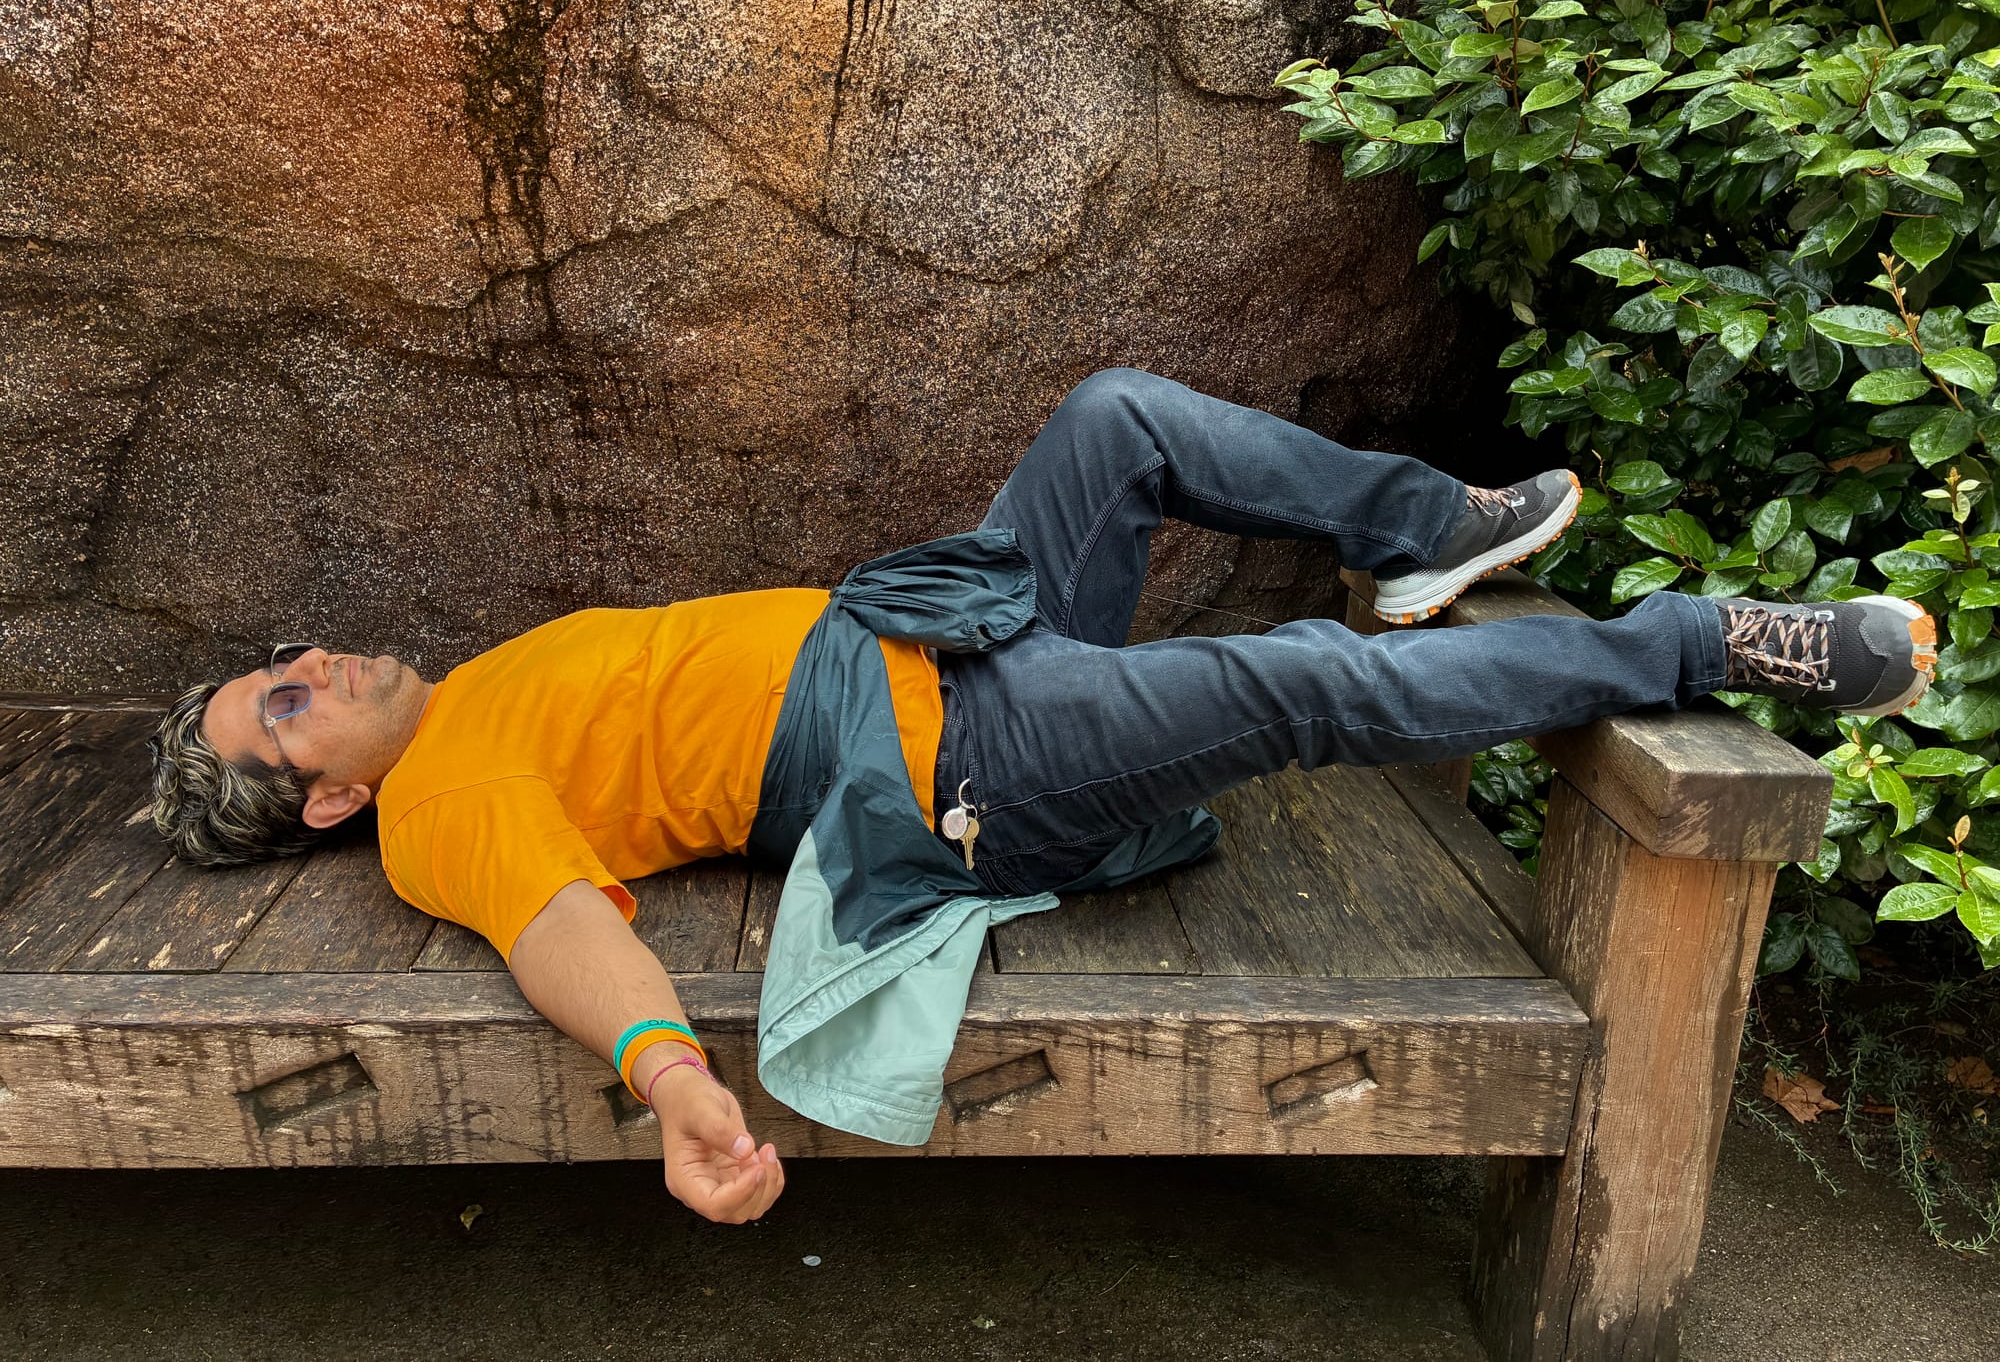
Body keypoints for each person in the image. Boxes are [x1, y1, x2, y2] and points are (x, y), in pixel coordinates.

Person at [146, 368, 1935, 1225]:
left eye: (290, 661)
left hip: (952, 626)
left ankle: (1420, 533)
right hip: (971, 762)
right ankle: (1704, 644)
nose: (317, 669)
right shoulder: (440, 804)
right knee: (1297, 687)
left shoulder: (478, 690)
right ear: (318, 806)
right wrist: (676, 1080)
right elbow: (553, 930)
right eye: (282, 712)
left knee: (1112, 420)